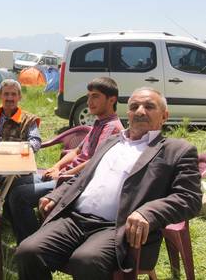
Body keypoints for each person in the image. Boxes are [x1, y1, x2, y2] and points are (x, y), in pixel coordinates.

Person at [14, 87, 203, 280]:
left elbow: (190, 198)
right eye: (134, 106)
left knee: (86, 261)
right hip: (75, 219)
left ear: (164, 115)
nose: (140, 111)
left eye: (149, 106)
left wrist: (148, 212)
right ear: (127, 113)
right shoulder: (112, 141)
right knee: (28, 251)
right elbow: (81, 177)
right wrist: (56, 195)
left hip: (117, 227)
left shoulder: (177, 150)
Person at [7, 77, 124, 244]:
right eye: (88, 96)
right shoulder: (99, 122)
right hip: (65, 174)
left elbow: (94, 162)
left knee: (20, 196)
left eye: (95, 96)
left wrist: (64, 173)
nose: (89, 101)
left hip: (77, 182)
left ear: (112, 100)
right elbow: (77, 151)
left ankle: (33, 243)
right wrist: (56, 167)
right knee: (15, 182)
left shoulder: (112, 127)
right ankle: (17, 230)